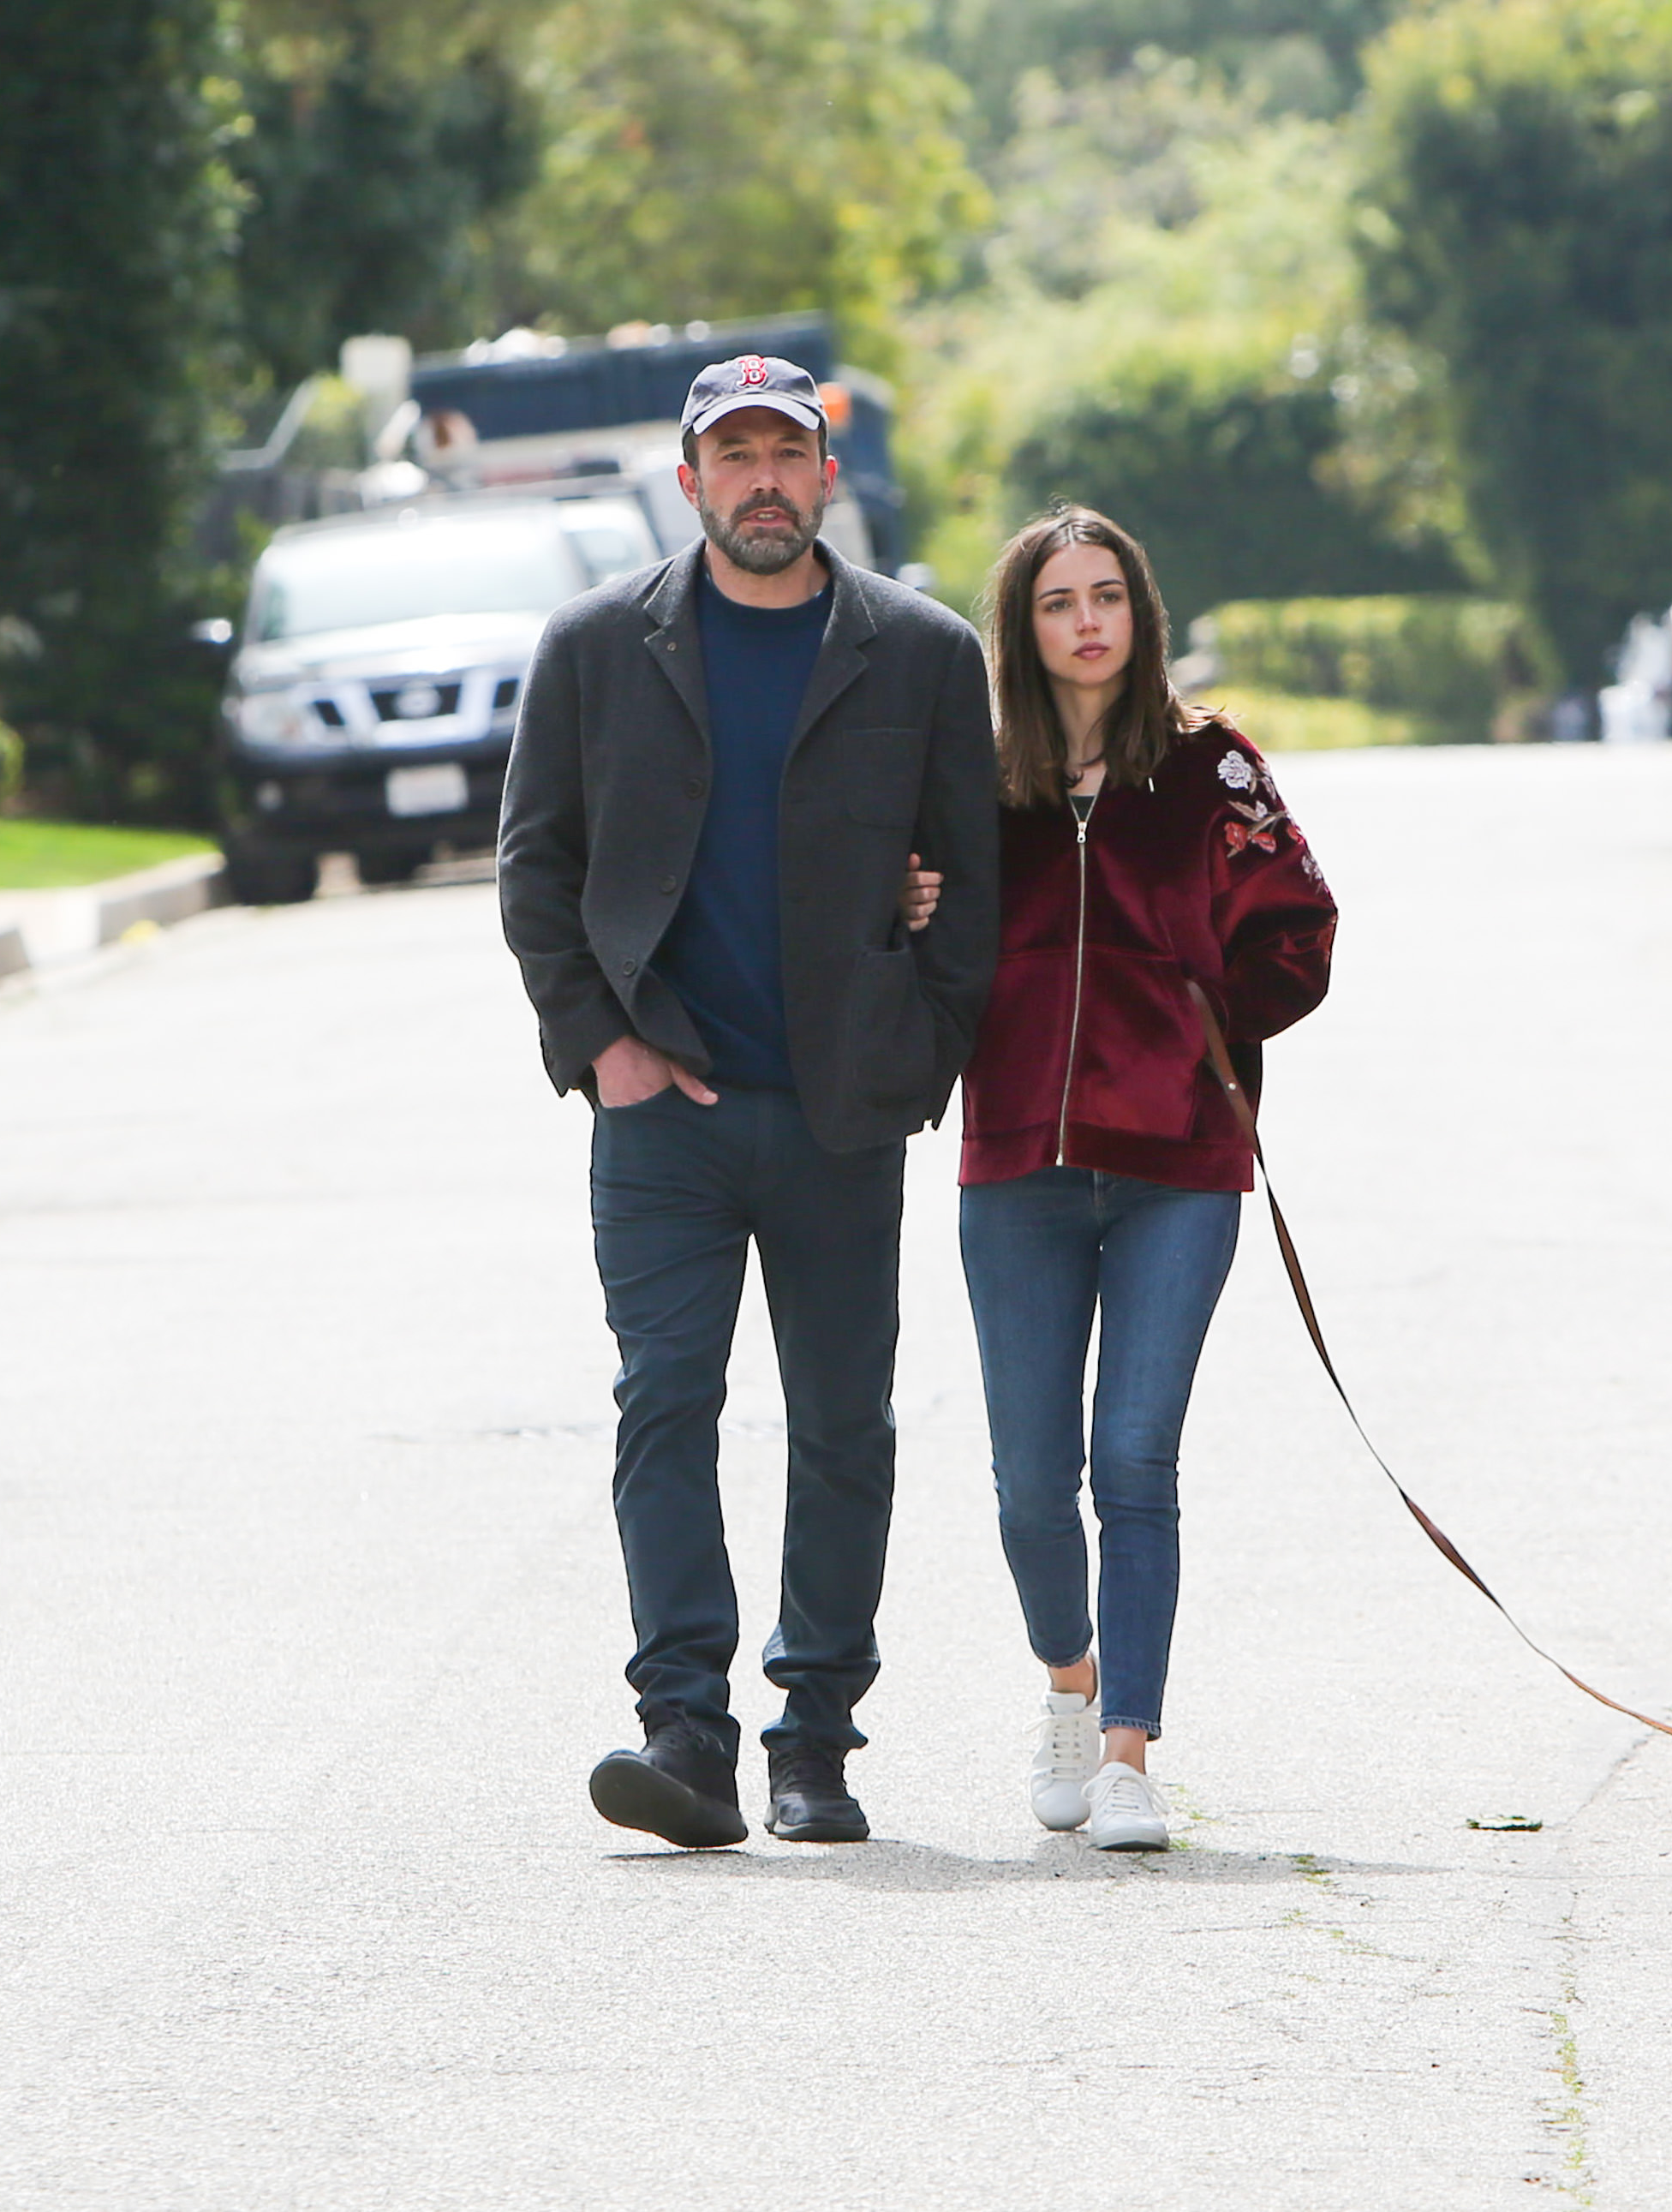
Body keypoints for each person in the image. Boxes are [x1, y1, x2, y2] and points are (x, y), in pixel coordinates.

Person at [498, 355, 999, 1850]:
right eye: (737, 456)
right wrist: (605, 1047)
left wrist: (918, 1055)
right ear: (690, 480)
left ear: (829, 475)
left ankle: (816, 1738)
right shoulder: (595, 648)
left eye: (791, 451)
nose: (764, 478)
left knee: (846, 1423)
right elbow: (537, 869)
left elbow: (970, 887)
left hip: (842, 1109)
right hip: (663, 1114)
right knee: (667, 1403)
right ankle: (687, 1731)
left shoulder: (920, 654)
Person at [953, 507, 1337, 1850]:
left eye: (1107, 595)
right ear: (1024, 626)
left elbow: (1303, 933)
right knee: (1024, 1479)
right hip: (1016, 1165)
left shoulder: (1208, 768)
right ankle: (1070, 1686)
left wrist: (1196, 1013)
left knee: (1135, 1457)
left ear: (1141, 611)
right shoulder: (974, 776)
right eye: (1059, 602)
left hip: (1179, 1162)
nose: (1088, 622)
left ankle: (1126, 1753)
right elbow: (909, 926)